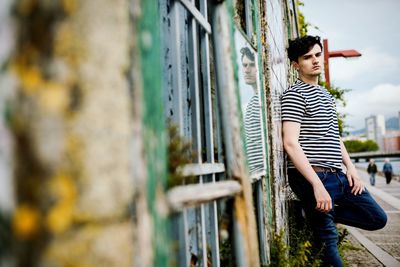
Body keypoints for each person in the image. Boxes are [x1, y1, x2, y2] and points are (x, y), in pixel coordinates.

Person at [281, 35, 387, 267]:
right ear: (296, 65)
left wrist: (351, 168)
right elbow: (290, 143)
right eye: (307, 57)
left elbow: (334, 137)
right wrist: (316, 186)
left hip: (338, 175)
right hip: (313, 177)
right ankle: (314, 210)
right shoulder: (294, 95)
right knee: (330, 249)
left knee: (377, 218)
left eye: (317, 55)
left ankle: (309, 211)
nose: (315, 60)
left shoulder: (327, 96)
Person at [240, 47, 264, 175]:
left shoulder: (264, 101)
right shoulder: (251, 102)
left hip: (261, 174)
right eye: (244, 65)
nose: (247, 70)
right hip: (253, 174)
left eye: (252, 65)